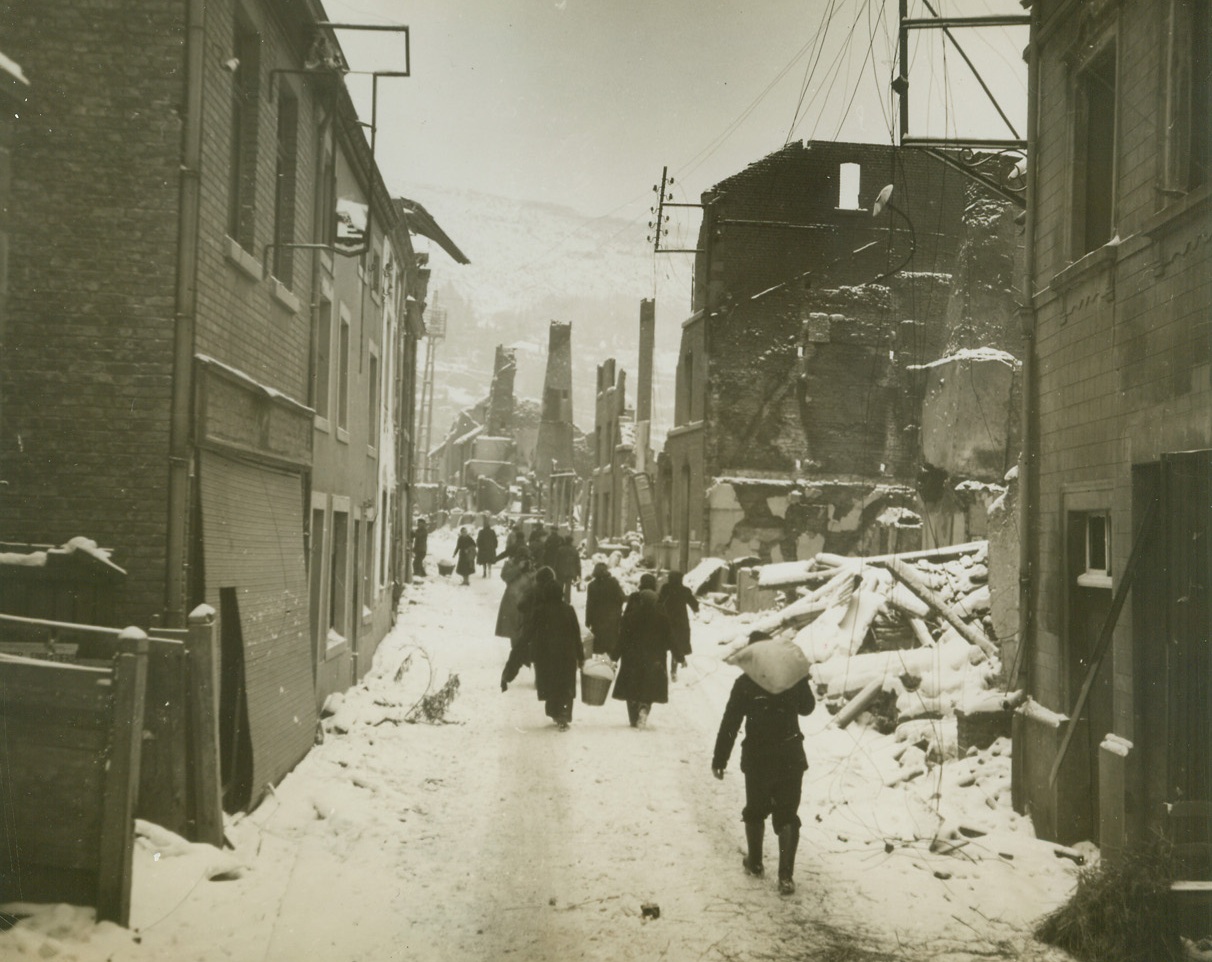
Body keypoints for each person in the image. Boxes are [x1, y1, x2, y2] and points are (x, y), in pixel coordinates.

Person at [711, 662, 816, 896]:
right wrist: (802, 680)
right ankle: (785, 877)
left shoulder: (746, 682)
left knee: (755, 810)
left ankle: (755, 863)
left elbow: (731, 722)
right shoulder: (792, 676)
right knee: (787, 814)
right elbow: (807, 707)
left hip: (758, 758)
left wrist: (720, 758)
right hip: (790, 756)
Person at [521, 566, 583, 730]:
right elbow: (576, 634)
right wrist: (581, 656)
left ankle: (556, 712)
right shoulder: (569, 610)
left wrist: (523, 650)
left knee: (551, 684)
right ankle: (564, 713)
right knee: (565, 685)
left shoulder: (540, 611)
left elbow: (529, 632)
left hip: (546, 655)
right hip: (567, 655)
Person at [611, 573, 672, 729]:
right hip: (654, 656)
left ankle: (633, 718)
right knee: (649, 685)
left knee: (631, 686)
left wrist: (613, 658)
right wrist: (679, 656)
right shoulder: (661, 610)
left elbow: (622, 636)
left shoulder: (631, 612)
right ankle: (644, 707)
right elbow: (669, 636)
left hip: (632, 655)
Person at [496, 546, 535, 691]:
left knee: (524, 626)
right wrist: (518, 568)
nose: (525, 559)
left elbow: (535, 578)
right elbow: (505, 577)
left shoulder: (531, 565)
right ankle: (516, 651)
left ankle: (520, 653)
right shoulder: (510, 564)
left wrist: (530, 571)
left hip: (526, 599)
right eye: (523, 557)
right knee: (513, 627)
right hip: (512, 600)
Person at [658, 570, 699, 683]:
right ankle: (673, 671)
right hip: (680, 623)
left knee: (662, 646)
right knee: (677, 646)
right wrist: (696, 608)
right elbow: (694, 604)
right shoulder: (685, 590)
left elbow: (659, 602)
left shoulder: (665, 588)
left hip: (666, 621)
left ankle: (662, 670)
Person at [584, 561, 625, 660]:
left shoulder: (591, 586)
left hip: (598, 620)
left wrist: (588, 621)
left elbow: (589, 605)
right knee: (611, 647)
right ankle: (609, 666)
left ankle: (600, 665)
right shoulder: (613, 583)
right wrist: (618, 610)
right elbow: (621, 598)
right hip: (612, 620)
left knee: (599, 647)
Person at [551, 533, 581, 603]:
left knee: (560, 587)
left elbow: (556, 561)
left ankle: (558, 600)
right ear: (571, 541)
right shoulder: (574, 551)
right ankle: (567, 601)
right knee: (568, 588)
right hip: (570, 572)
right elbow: (577, 563)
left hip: (560, 571)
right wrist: (578, 573)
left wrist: (554, 570)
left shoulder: (560, 549)